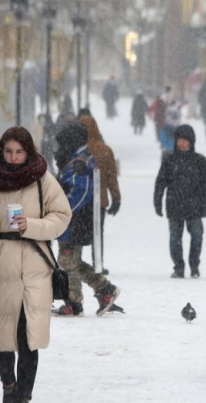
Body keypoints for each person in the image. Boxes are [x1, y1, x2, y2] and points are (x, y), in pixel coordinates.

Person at [0, 126, 71, 403]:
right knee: (1, 335)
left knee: (28, 338)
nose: (14, 158)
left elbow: (62, 216)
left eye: (19, 152)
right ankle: (8, 385)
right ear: (0, 152)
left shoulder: (43, 178)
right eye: (8, 152)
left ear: (28, 152)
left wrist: (30, 225)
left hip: (34, 264)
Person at [51, 121, 122, 316]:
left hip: (74, 223)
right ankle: (105, 289)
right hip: (76, 222)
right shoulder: (80, 159)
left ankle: (74, 303)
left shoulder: (79, 164)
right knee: (72, 261)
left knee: (67, 261)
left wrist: (63, 210)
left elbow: (81, 192)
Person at [154, 124, 206, 279]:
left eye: (185, 140)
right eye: (180, 139)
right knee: (175, 239)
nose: (182, 143)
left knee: (197, 236)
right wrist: (157, 201)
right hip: (174, 206)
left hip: (195, 207)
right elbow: (161, 182)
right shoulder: (169, 159)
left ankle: (194, 265)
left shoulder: (200, 161)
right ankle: (179, 267)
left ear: (191, 142)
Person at [79, 115, 121, 275]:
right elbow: (112, 177)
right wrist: (116, 198)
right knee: (97, 233)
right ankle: (98, 263)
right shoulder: (105, 150)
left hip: (80, 200)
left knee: (78, 235)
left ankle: (77, 263)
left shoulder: (77, 151)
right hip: (100, 200)